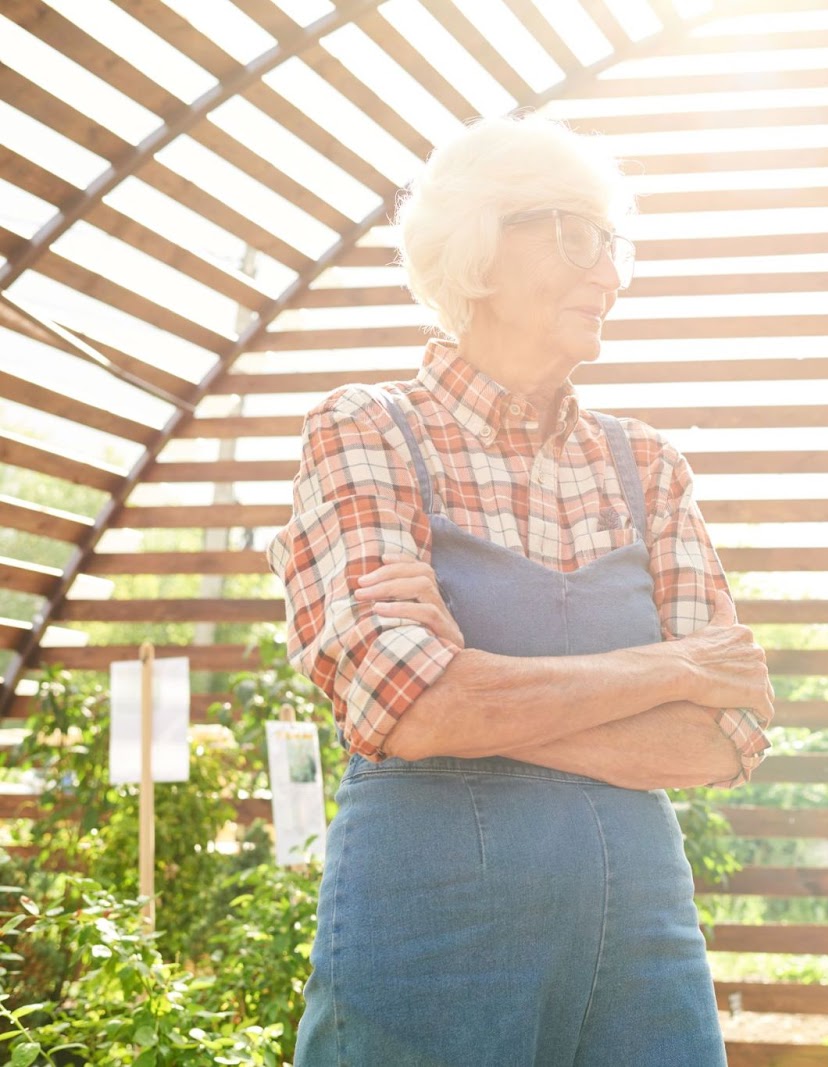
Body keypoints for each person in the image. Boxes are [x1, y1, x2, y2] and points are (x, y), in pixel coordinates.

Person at [267, 114, 773, 1066]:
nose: (612, 276)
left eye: (616, 247)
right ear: (484, 246)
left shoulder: (649, 467)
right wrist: (668, 666)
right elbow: (401, 703)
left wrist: (468, 687)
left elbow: (724, 736)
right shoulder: (365, 431)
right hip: (430, 949)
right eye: (579, 237)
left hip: (641, 957)